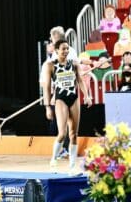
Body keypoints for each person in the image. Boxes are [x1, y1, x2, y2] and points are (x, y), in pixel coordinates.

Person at [42, 39, 92, 175]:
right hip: (60, 99)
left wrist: (86, 95)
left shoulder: (74, 64)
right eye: (63, 49)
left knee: (74, 134)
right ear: (56, 50)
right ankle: (53, 159)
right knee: (62, 133)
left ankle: (72, 166)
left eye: (67, 48)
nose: (66, 51)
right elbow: (46, 87)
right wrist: (47, 106)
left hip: (74, 98)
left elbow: (80, 80)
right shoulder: (50, 65)